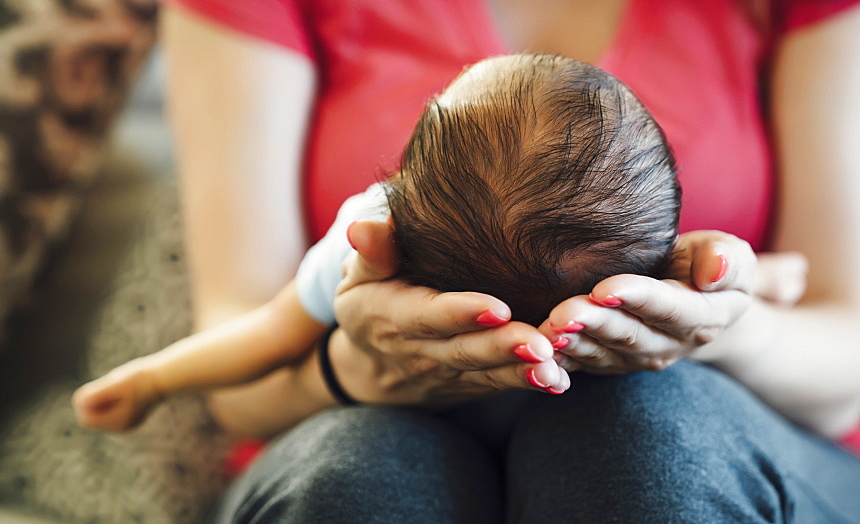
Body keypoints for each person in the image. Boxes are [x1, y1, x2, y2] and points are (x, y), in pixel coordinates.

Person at [154, 0, 860, 524]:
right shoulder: (357, 238)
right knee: (356, 480)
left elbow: (843, 364)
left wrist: (713, 327)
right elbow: (241, 372)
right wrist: (362, 375)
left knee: (635, 440)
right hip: (341, 439)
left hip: (742, 448)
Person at [72, 53, 682, 430]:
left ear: (404, 181)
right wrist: (756, 281)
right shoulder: (634, 280)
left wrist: (152, 381)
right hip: (561, 439)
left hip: (415, 438)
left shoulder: (373, 233)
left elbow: (265, 335)